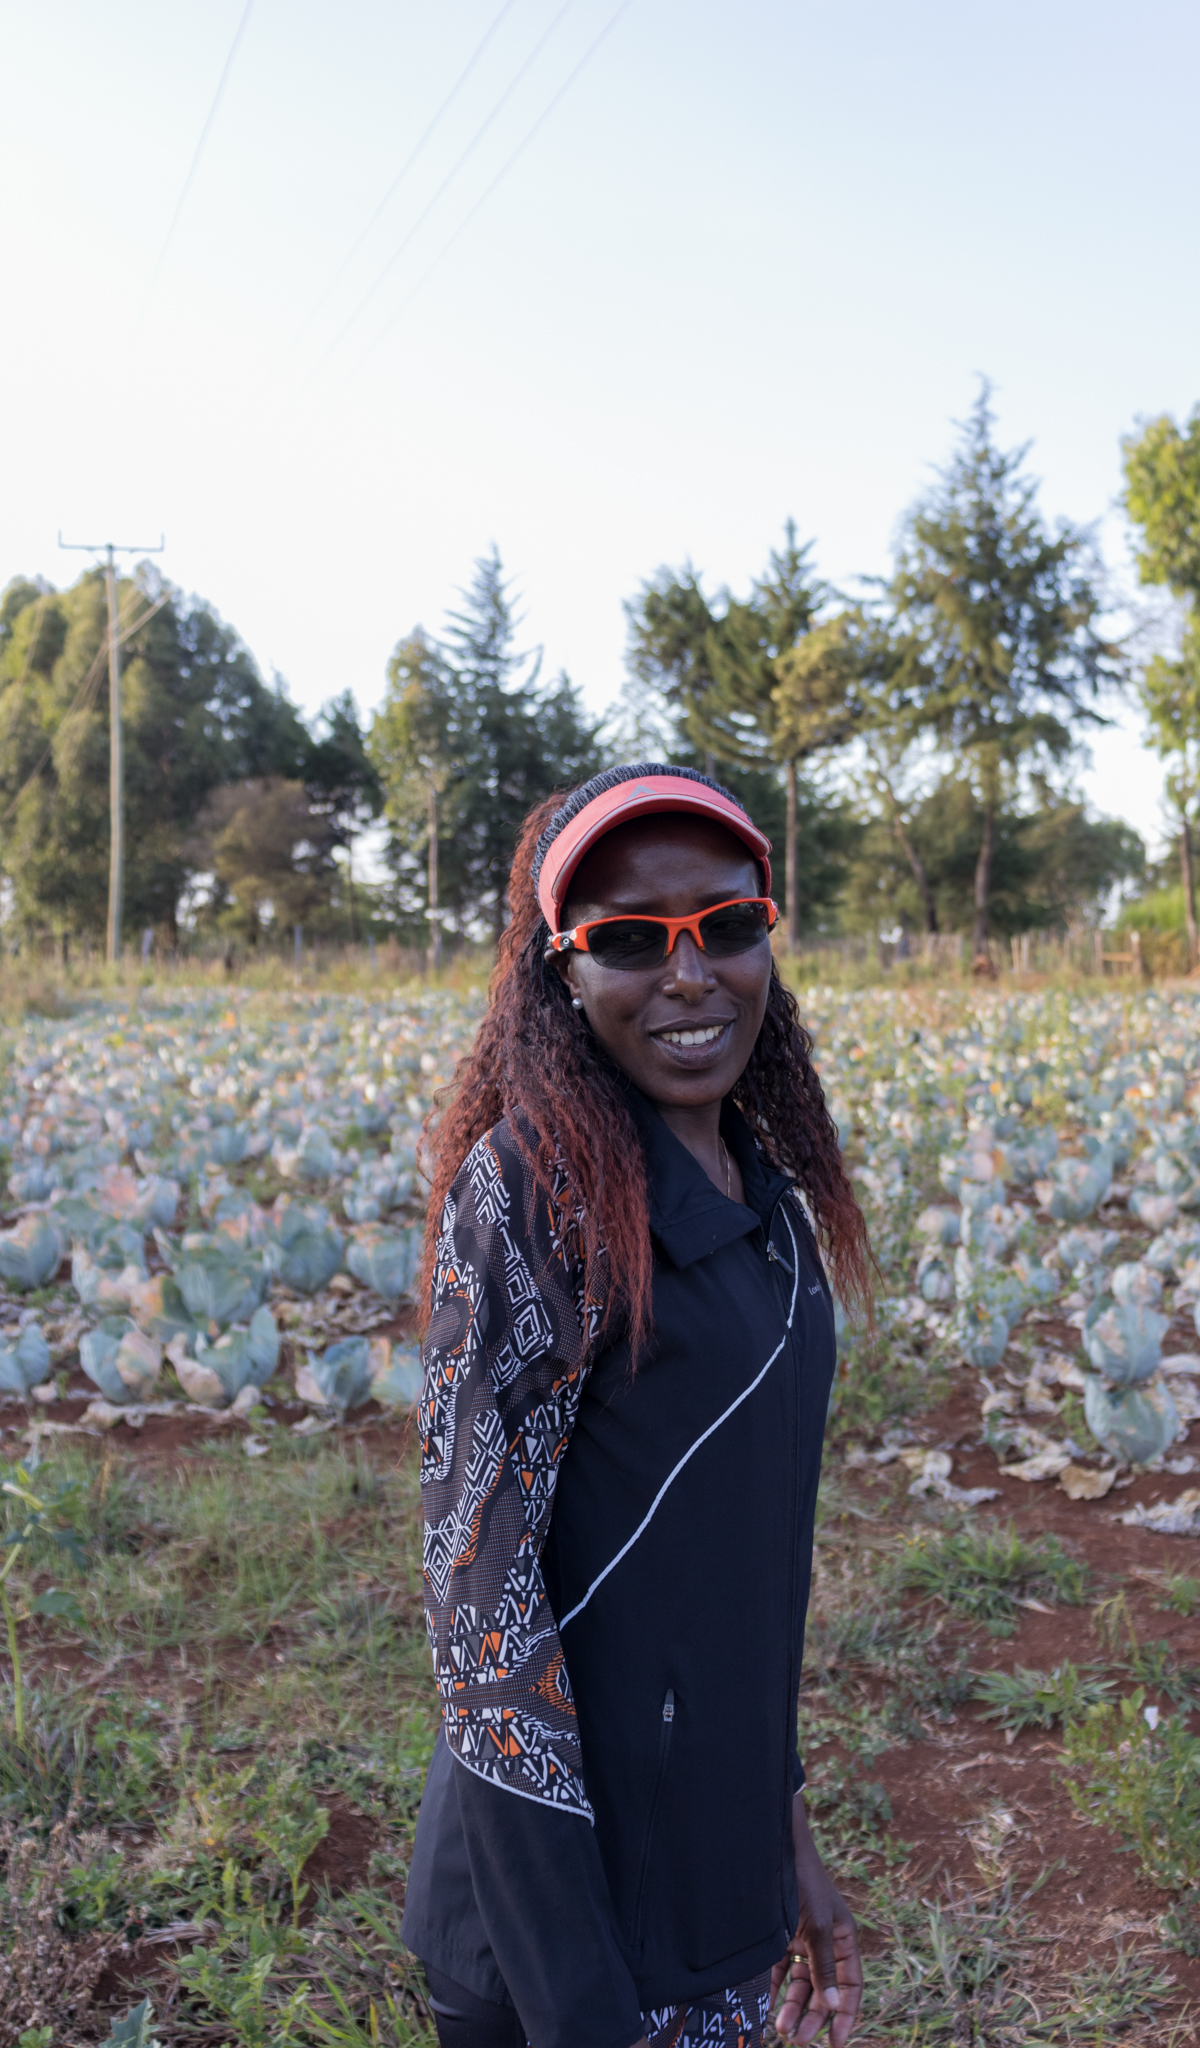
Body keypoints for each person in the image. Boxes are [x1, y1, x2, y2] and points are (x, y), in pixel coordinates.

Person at [403, 766, 873, 2048]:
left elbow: (739, 1578)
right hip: (566, 1938)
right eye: (626, 937)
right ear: (562, 971)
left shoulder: (764, 1201)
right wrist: (580, 2001)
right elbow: (483, 1629)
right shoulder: (533, 1198)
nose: (689, 971)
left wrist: (784, 1847)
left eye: (725, 923)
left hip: (711, 1891)